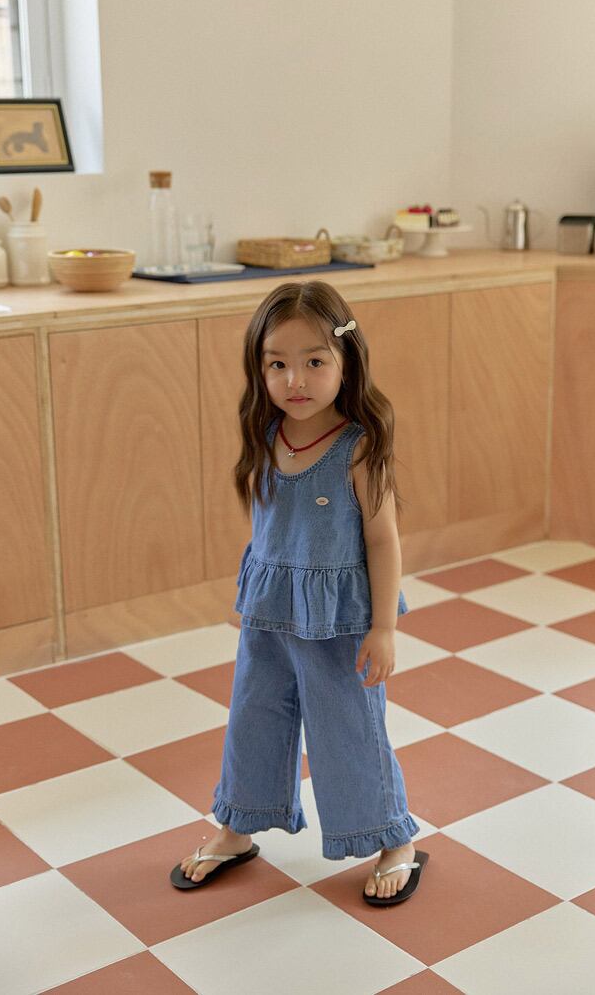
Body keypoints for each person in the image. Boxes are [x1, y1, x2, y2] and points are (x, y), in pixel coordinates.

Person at [170, 279, 428, 905]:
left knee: (347, 729)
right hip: (270, 616)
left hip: (339, 622)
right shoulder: (266, 436)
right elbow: (272, 527)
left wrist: (384, 628)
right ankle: (237, 827)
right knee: (253, 719)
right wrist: (261, 594)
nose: (295, 380)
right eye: (277, 364)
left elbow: (383, 542)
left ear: (346, 361)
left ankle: (393, 838)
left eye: (315, 362)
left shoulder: (358, 449)